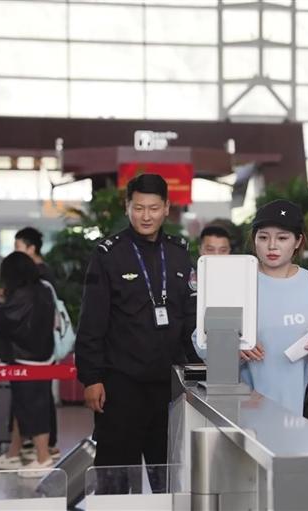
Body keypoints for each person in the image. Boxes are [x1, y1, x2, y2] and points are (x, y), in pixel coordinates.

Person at [75, 174, 197, 492]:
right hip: (120, 386)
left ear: (166, 208)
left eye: (154, 208)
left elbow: (189, 318)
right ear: (127, 207)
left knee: (167, 478)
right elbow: (92, 320)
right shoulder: (108, 254)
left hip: (169, 387)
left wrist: (198, 370)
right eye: (139, 207)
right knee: (115, 478)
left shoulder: (179, 253)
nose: (146, 216)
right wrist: (91, 377)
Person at [193, 199, 308, 415]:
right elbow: (202, 343)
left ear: (298, 241)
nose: (272, 246)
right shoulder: (234, 283)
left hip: (302, 413)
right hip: (242, 411)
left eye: (282, 238)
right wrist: (234, 348)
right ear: (254, 239)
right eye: (263, 237)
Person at [0, 252, 56, 477]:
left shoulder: (22, 293)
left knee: (32, 407)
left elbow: (5, 319)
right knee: (22, 406)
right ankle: (14, 453)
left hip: (25, 359)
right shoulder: (43, 289)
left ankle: (43, 457)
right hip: (43, 356)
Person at [15, 226, 60, 460]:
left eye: (18, 247)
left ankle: (46, 444)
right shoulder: (39, 272)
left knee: (40, 395)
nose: (15, 252)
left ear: (31, 248)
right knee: (40, 394)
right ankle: (41, 442)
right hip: (40, 346)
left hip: (41, 347)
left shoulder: (41, 275)